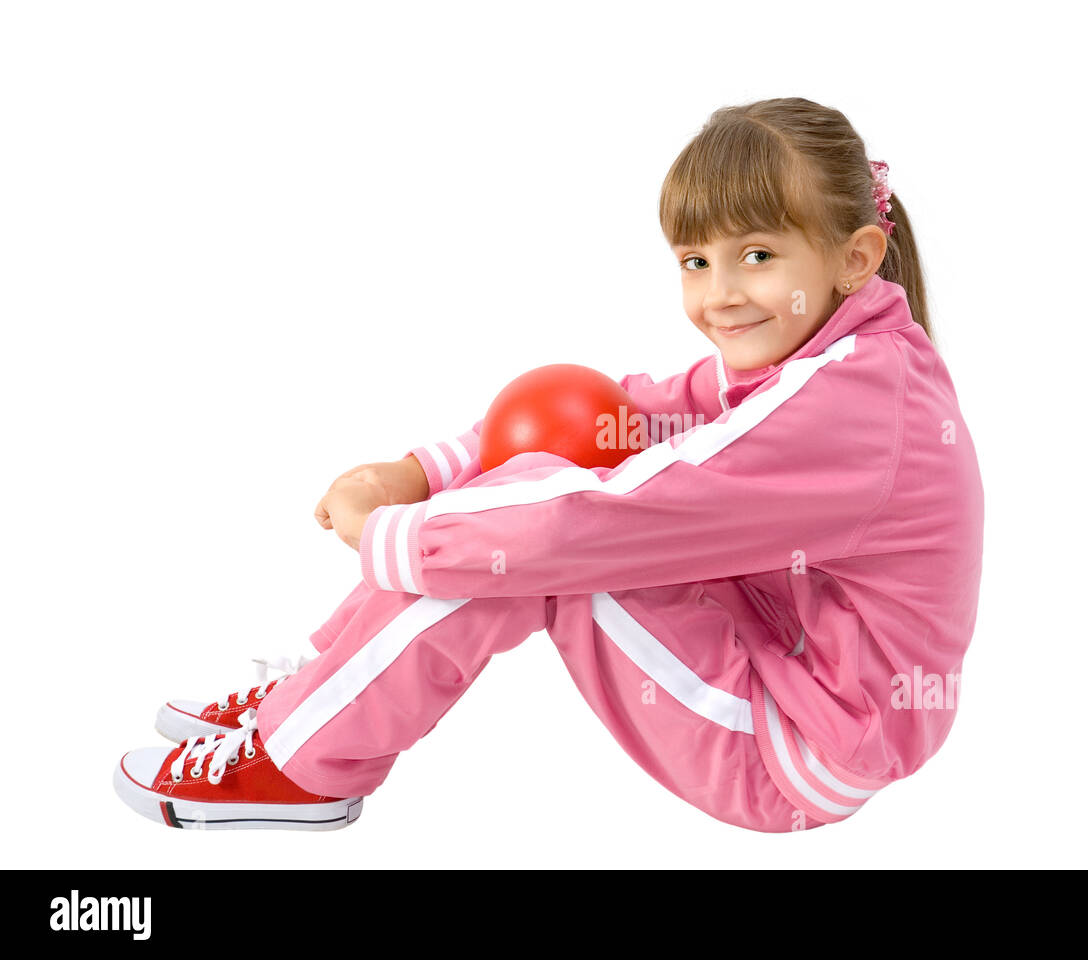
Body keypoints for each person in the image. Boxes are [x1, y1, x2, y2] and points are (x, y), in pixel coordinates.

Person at [112, 96, 984, 834]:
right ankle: (311, 695)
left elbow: (597, 521)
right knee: (574, 448)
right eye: (696, 261)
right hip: (779, 655)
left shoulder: (850, 404)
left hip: (797, 743)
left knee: (540, 542)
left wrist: (390, 536)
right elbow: (624, 412)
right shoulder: (822, 355)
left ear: (853, 259)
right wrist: (418, 471)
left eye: (756, 255)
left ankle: (308, 764)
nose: (719, 293)